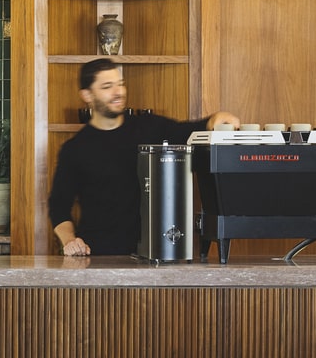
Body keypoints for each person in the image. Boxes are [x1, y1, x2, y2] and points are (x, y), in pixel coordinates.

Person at [49, 58, 239, 257]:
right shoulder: (75, 149)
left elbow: (187, 132)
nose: (118, 92)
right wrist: (70, 240)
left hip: (153, 253)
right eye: (107, 86)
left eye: (120, 84)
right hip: (97, 256)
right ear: (87, 95)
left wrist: (214, 120)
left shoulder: (148, 127)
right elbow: (58, 206)